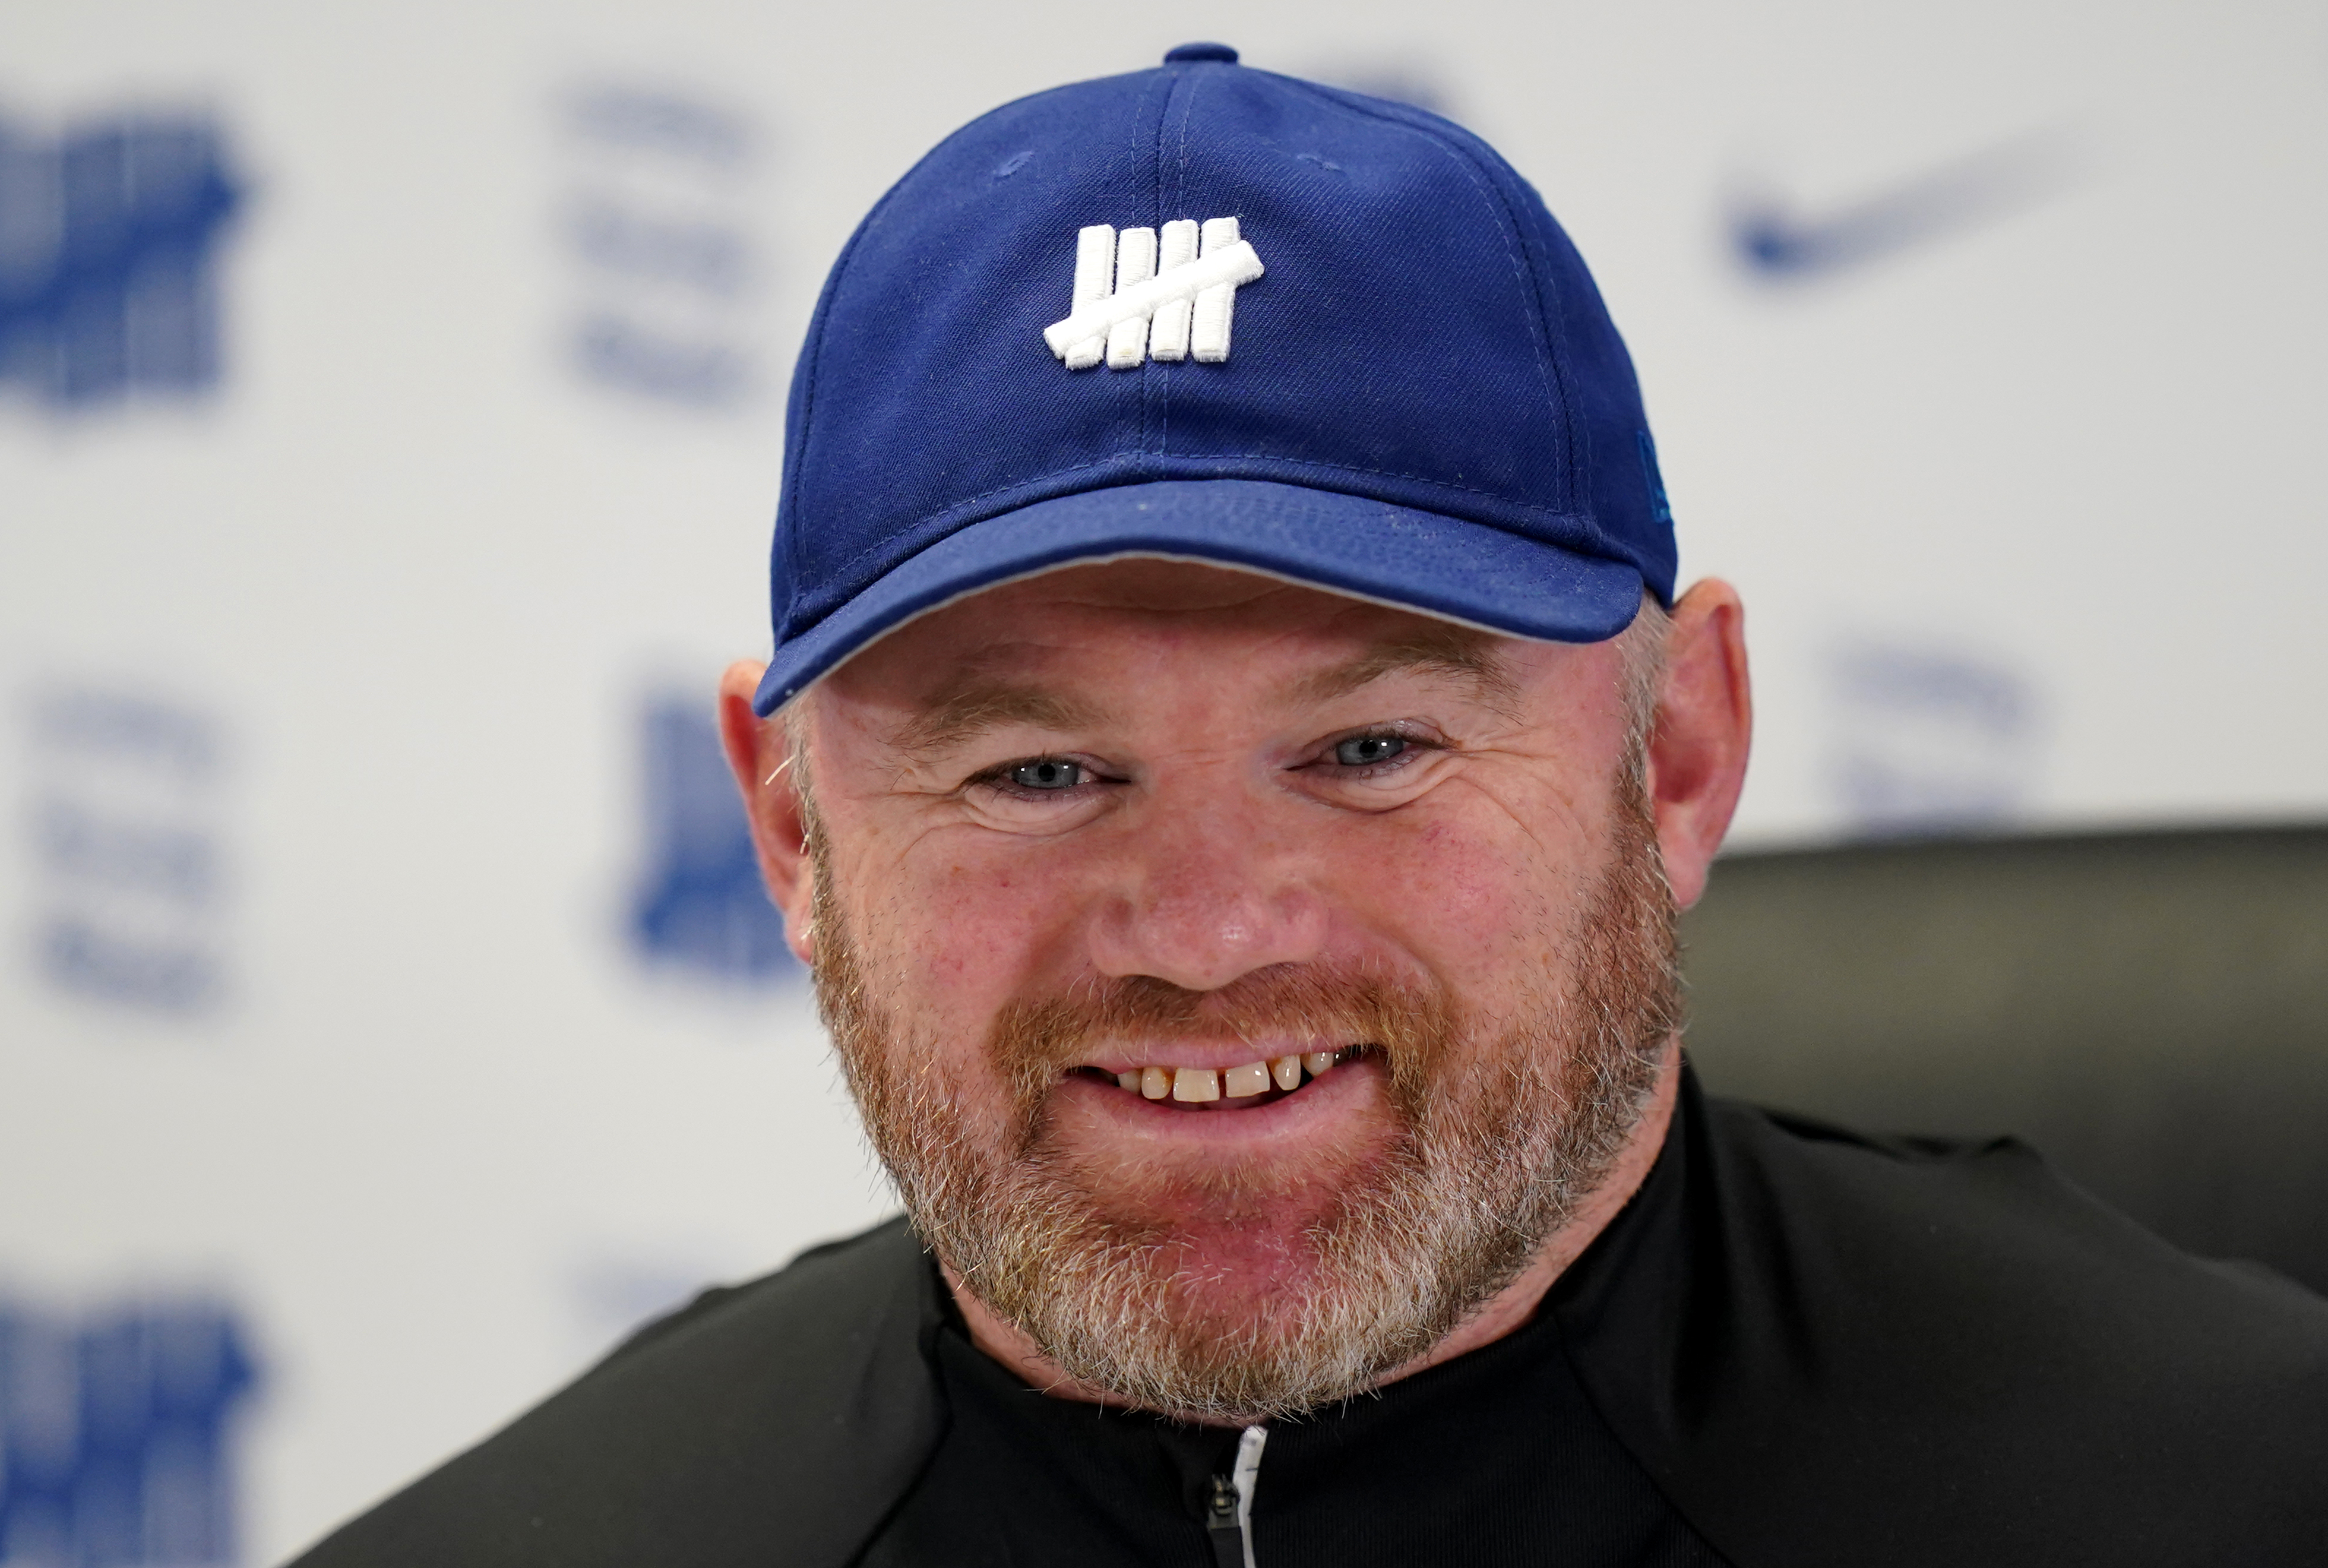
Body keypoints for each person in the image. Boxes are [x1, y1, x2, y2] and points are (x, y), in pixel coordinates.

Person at [288, 44, 2328, 1568]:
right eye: (1038, 771)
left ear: (1678, 754)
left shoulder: (2241, 1496)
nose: (1206, 930)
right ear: (795, 834)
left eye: (1368, 750)